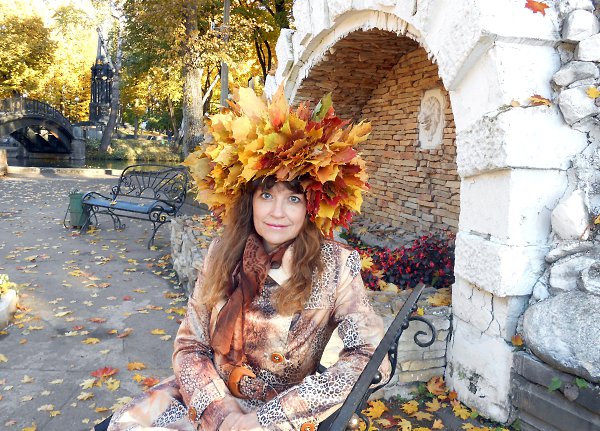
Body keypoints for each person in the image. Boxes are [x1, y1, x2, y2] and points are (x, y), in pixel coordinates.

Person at [107, 87, 388, 431]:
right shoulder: (222, 252)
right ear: (249, 201)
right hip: (206, 396)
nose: (277, 213)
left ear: (311, 207)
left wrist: (267, 417)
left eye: (294, 199)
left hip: (278, 414)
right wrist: (221, 412)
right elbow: (191, 345)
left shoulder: (334, 265)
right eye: (266, 195)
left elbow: (370, 357)